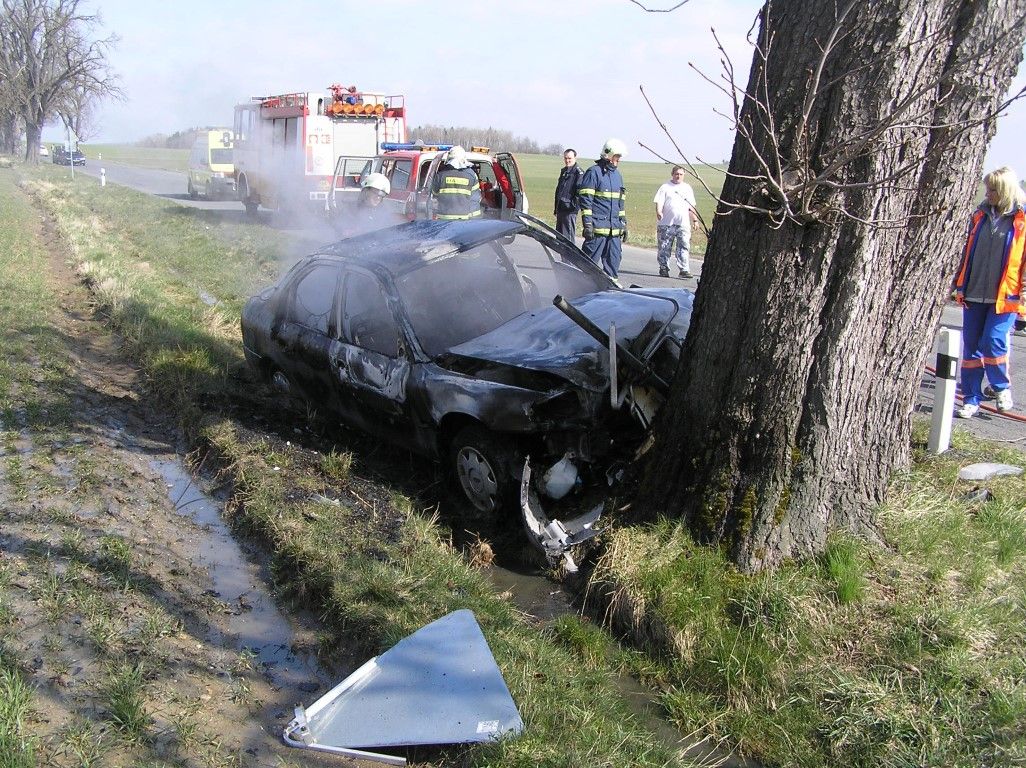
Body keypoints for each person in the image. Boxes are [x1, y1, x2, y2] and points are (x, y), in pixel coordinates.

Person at [951, 166, 1026, 417]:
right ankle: (970, 398)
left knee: (993, 341)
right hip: (973, 292)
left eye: (993, 189)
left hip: (1005, 297)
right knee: (971, 348)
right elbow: (964, 252)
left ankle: (1000, 387)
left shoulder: (1021, 221)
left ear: (1005, 190)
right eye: (987, 188)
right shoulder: (979, 216)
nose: (989, 193)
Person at [579, 138, 628, 277]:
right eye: (617, 157)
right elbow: (586, 201)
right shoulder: (593, 172)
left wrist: (623, 224)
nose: (618, 160)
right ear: (608, 155)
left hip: (614, 232)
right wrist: (587, 224)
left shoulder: (618, 176)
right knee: (588, 268)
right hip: (597, 231)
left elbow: (620, 204)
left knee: (613, 267)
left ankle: (610, 295)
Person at [653, 165, 699, 278]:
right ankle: (663, 268)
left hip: (683, 223)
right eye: (676, 174)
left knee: (683, 246)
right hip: (666, 223)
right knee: (664, 247)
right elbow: (659, 201)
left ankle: (684, 269)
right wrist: (659, 212)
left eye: (681, 174)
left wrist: (695, 219)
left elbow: (691, 206)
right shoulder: (665, 187)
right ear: (672, 174)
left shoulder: (687, 188)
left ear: (684, 175)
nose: (678, 176)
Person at [430, 146, 481, 220]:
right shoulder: (472, 175)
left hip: (443, 219)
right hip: (464, 220)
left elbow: (434, 193)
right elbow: (475, 199)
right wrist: (474, 221)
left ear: (449, 158)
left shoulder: (441, 175)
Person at [553, 148, 584, 241]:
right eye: (565, 158)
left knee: (568, 240)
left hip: (569, 212)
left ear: (575, 158)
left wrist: (572, 206)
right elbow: (559, 190)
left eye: (570, 158)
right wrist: (556, 208)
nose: (567, 160)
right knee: (559, 239)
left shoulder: (579, 173)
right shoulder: (564, 171)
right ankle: (562, 256)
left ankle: (569, 256)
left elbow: (580, 193)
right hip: (561, 209)